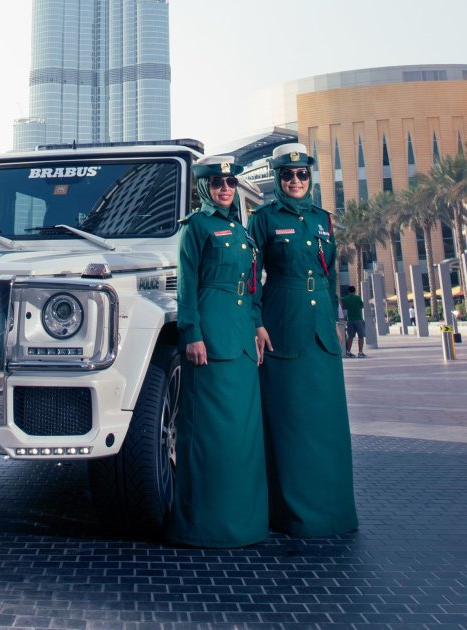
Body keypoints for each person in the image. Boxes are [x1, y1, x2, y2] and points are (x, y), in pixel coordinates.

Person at [249, 143, 358, 537]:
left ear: (309, 178)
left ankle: (334, 511)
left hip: (321, 331)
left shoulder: (324, 220)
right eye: (287, 175)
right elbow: (249, 279)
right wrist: (256, 322)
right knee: (289, 420)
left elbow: (328, 277)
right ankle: (290, 514)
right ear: (277, 179)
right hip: (282, 323)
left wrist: (335, 320)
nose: (295, 181)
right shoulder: (263, 219)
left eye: (301, 175)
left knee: (326, 422)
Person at [166, 156, 268, 548]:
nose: (225, 189)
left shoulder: (239, 230)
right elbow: (186, 284)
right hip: (210, 334)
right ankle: (204, 525)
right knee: (211, 431)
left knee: (241, 433)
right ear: (204, 188)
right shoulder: (196, 227)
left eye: (229, 183)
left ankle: (244, 522)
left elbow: (251, 284)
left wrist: (257, 325)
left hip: (241, 336)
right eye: (217, 184)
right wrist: (191, 333)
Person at [342, 286, 366, 358]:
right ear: (354, 291)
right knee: (361, 336)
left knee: (350, 337)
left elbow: (344, 307)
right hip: (359, 319)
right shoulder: (358, 298)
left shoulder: (345, 299)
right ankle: (360, 352)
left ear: (348, 291)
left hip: (350, 320)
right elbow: (362, 306)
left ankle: (348, 352)